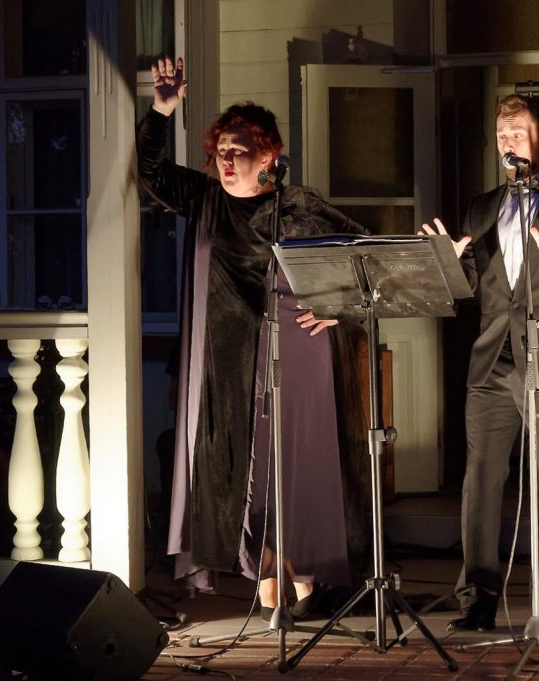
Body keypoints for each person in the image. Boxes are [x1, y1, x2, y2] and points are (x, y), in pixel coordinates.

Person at [139, 57, 369, 620]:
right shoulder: (204, 198)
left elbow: (364, 254)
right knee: (242, 476)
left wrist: (337, 307)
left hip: (294, 354)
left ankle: (309, 583)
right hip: (224, 362)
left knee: (292, 470)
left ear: (269, 157)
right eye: (221, 148)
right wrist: (161, 110)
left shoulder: (298, 205)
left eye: (239, 149)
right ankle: (267, 586)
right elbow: (149, 170)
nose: (226, 158)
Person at [422, 95, 539, 634]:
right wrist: (445, 264)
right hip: (491, 358)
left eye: (518, 131)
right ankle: (479, 598)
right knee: (480, 478)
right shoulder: (483, 206)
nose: (508, 141)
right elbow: (471, 286)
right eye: (501, 133)